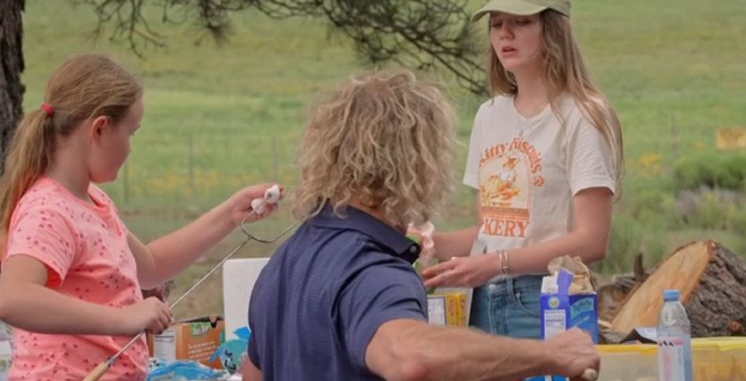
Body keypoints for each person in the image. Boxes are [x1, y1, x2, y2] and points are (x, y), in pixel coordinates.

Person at [242, 71, 601, 381]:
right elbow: (411, 358)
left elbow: (251, 373)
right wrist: (549, 354)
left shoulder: (286, 261)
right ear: (419, 162)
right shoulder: (374, 271)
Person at [0, 54, 280, 381]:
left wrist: (231, 214)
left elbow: (150, 266)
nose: (131, 148)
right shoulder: (50, 210)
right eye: (131, 133)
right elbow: (12, 297)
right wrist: (122, 318)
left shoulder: (92, 201)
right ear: (100, 128)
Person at [421, 0, 624, 339]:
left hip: (548, 300)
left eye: (521, 21)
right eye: (496, 23)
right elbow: (493, 232)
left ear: (554, 29)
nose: (504, 34)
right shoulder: (490, 114)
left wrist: (494, 264)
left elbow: (593, 240)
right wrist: (430, 242)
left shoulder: (584, 115)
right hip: (480, 302)